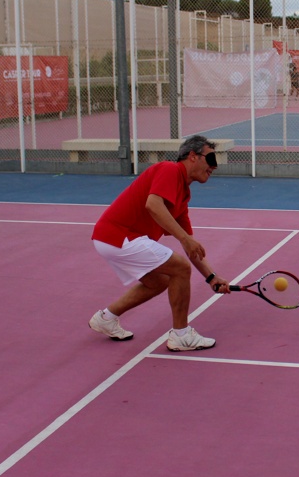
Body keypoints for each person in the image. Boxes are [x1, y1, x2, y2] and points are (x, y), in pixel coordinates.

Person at [89, 135, 230, 351]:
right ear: (192, 156)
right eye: (210, 159)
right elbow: (153, 205)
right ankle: (181, 335)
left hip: (110, 239)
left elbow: (190, 246)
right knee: (180, 269)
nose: (214, 167)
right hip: (119, 235)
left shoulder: (183, 195)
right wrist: (185, 239)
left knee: (161, 281)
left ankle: (106, 318)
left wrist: (211, 277)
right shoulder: (170, 170)